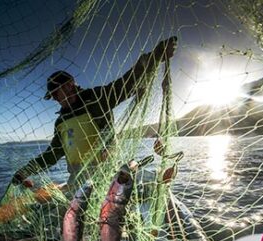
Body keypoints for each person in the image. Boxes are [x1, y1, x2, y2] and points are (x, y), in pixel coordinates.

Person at [12, 36, 177, 189]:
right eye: (53, 96)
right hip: (77, 183)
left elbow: (125, 84)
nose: (55, 99)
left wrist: (154, 57)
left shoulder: (97, 98)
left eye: (56, 93)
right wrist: (26, 171)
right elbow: (51, 155)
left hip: (106, 179)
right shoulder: (60, 122)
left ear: (69, 85)